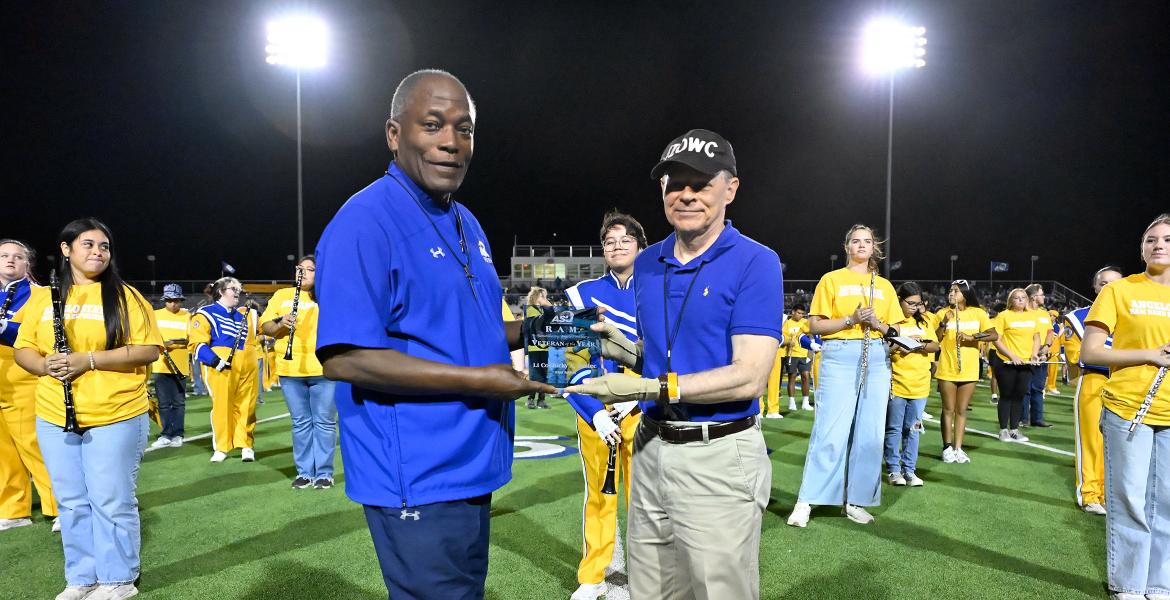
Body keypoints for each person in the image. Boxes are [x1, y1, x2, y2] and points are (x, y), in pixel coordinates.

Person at [313, 69, 553, 599]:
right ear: (394, 134)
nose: (451, 142)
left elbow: (469, 331)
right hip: (417, 470)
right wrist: (480, 381)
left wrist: (539, 330)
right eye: (433, 125)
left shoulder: (464, 218)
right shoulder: (365, 220)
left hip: (473, 463)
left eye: (464, 129)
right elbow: (345, 357)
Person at [566, 128, 781, 599]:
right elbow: (656, 352)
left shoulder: (756, 262)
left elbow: (749, 376)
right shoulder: (646, 263)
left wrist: (648, 390)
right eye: (673, 182)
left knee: (718, 592)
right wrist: (615, 346)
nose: (685, 194)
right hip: (650, 449)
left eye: (700, 182)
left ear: (731, 189)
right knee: (652, 592)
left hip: (718, 452)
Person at [13, 218, 162, 600]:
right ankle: (82, 578)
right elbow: (24, 349)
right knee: (71, 501)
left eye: (104, 246)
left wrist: (89, 360)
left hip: (116, 412)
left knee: (111, 498)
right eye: (88, 244)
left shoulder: (126, 296)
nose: (98, 252)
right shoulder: (44, 299)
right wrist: (45, 365)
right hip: (54, 413)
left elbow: (148, 350)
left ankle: (118, 579)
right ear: (66, 250)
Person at [787, 224, 902, 527]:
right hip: (839, 355)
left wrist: (879, 325)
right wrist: (851, 318)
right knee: (829, 430)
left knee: (871, 434)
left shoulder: (885, 286)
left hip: (877, 357)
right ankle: (807, 499)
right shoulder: (832, 279)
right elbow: (815, 326)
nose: (861, 245)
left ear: (874, 247)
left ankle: (856, 500)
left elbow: (897, 329)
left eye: (867, 241)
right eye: (855, 241)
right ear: (847, 247)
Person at [1081, 214, 1170, 600]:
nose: (1159, 245)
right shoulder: (1119, 291)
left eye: (1167, 239)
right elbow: (1091, 350)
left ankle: (1159, 583)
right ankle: (1129, 585)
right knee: (1130, 500)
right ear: (1141, 248)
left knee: (1166, 502)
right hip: (1128, 406)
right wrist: (1151, 354)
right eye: (1151, 240)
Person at [562, 210, 645, 600]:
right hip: (596, 409)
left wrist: (636, 395)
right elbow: (570, 358)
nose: (617, 246)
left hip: (646, 409)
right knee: (600, 494)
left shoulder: (660, 289)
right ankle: (593, 574)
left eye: (625, 240)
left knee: (647, 498)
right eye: (610, 241)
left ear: (640, 246)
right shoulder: (581, 293)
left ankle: (649, 571)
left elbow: (666, 354)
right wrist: (593, 409)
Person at [260, 256, 338, 490]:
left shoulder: (328, 296)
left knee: (324, 422)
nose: (303, 273)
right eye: (299, 269)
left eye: (310, 269)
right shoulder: (282, 295)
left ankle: (324, 472)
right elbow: (266, 328)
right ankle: (305, 472)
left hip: (323, 369)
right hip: (290, 369)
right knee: (301, 422)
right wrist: (281, 322)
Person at [0, 239, 58, 532]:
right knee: (2, 452)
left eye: (17, 256)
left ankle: (58, 506)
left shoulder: (41, 295)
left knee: (36, 445)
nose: (10, 260)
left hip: (25, 377)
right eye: (4, 256)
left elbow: (43, 334)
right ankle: (12, 508)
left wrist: (6, 329)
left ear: (27, 264)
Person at [1067, 265, 1123, 516]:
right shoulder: (1079, 318)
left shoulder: (1130, 317)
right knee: (1092, 440)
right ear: (1094, 287)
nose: (1109, 288)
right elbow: (1080, 356)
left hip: (1126, 383)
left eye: (1114, 283)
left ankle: (1109, 493)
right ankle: (1090, 494)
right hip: (1094, 380)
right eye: (1103, 283)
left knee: (1120, 444)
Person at [189, 277, 259, 463]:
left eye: (239, 289)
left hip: (246, 366)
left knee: (247, 406)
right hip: (220, 367)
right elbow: (196, 343)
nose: (238, 292)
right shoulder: (205, 313)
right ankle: (222, 447)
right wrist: (214, 360)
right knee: (222, 406)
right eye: (232, 289)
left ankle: (246, 445)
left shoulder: (244, 314)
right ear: (220, 291)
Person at [934, 280, 998, 464]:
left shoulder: (978, 313)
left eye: (956, 291)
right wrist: (944, 323)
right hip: (947, 367)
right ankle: (947, 447)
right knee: (948, 409)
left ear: (965, 294)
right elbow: (935, 339)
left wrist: (971, 337)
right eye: (950, 291)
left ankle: (958, 448)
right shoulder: (942, 313)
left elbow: (993, 334)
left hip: (969, 368)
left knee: (961, 410)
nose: (951, 294)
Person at [885, 282, 940, 487]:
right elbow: (885, 350)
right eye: (911, 303)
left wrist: (919, 344)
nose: (915, 308)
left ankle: (910, 470)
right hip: (897, 383)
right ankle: (893, 470)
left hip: (920, 384)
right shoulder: (893, 322)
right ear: (899, 300)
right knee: (894, 429)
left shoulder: (924, 322)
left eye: (918, 304)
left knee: (914, 428)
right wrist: (901, 345)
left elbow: (935, 345)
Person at [989, 288, 1042, 443]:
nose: (1020, 300)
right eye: (1017, 298)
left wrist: (1034, 354)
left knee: (1019, 396)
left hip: (1026, 363)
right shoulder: (1004, 316)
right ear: (1011, 300)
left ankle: (1014, 430)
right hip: (1006, 362)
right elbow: (996, 339)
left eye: (1023, 297)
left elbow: (1036, 337)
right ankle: (1003, 430)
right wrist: (1012, 355)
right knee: (1006, 396)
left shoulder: (1033, 316)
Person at [149, 283, 189, 449]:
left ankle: (178, 433)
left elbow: (190, 339)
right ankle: (166, 434)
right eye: (170, 300)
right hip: (160, 365)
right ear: (165, 300)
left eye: (177, 300)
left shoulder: (187, 316)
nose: (174, 304)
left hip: (180, 366)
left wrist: (172, 342)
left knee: (179, 403)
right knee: (164, 403)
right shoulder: (155, 315)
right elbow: (150, 337)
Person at [1021, 283, 1055, 428]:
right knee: (1025, 389)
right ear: (1034, 297)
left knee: (1038, 388)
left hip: (1042, 354)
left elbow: (1049, 332)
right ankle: (1023, 419)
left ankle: (1037, 418)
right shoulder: (1022, 312)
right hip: (1026, 353)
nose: (1043, 297)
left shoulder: (1044, 313)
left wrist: (1046, 347)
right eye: (1041, 294)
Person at [524, 287, 552, 409]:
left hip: (544, 347)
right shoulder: (531, 309)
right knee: (535, 375)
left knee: (544, 374)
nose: (545, 299)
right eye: (542, 296)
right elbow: (538, 323)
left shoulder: (541, 310)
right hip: (534, 347)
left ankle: (541, 400)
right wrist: (548, 307)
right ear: (536, 297)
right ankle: (530, 399)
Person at [782, 304, 813, 412]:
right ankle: (791, 402)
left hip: (804, 354)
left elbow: (811, 336)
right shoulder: (787, 323)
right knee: (792, 377)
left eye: (802, 314)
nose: (800, 315)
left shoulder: (806, 322)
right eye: (798, 313)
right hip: (791, 354)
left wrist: (810, 353)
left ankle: (805, 402)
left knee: (805, 376)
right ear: (793, 312)